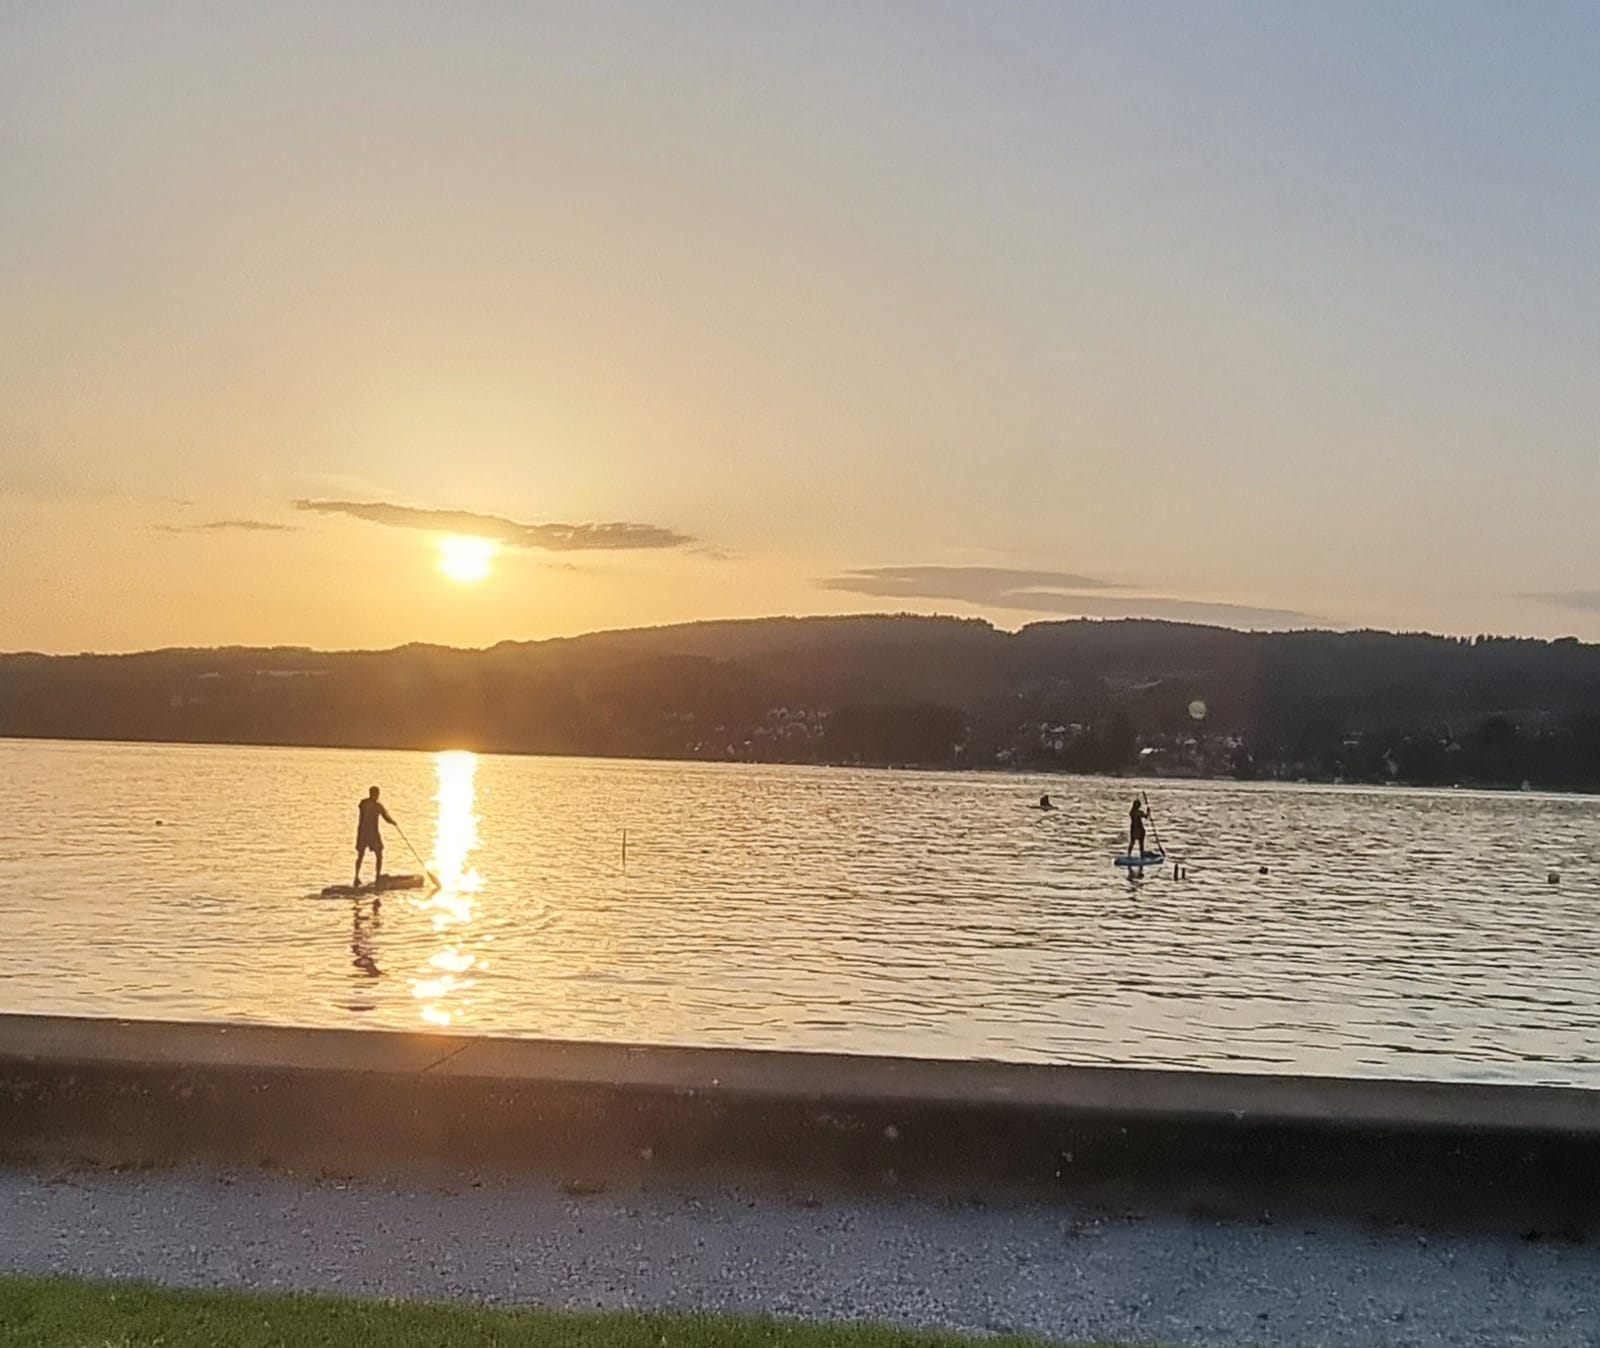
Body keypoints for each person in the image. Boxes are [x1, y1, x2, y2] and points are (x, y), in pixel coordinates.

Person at [354, 786, 396, 887]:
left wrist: (392, 821)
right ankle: (368, 877)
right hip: (369, 833)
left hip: (365, 832)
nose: (377, 796)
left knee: (368, 854)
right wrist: (392, 821)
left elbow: (386, 817)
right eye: (377, 794)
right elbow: (386, 817)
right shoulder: (373, 805)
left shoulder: (366, 803)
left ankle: (360, 877)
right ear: (375, 794)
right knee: (375, 855)